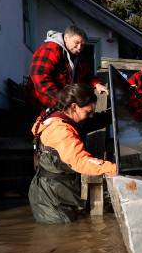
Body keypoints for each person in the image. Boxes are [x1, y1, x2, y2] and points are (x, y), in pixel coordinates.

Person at [29, 84, 117, 224]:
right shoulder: (60, 131)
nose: (91, 115)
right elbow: (81, 161)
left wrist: (115, 112)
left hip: (53, 192)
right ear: (74, 107)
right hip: (52, 201)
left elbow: (91, 122)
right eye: (88, 112)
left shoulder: (60, 116)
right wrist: (115, 169)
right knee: (62, 236)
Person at [26, 25, 109, 109]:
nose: (79, 47)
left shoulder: (78, 57)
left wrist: (97, 84)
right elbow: (39, 76)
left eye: (82, 45)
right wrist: (61, 101)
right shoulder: (50, 49)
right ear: (66, 38)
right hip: (42, 104)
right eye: (76, 42)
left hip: (63, 104)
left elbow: (87, 76)